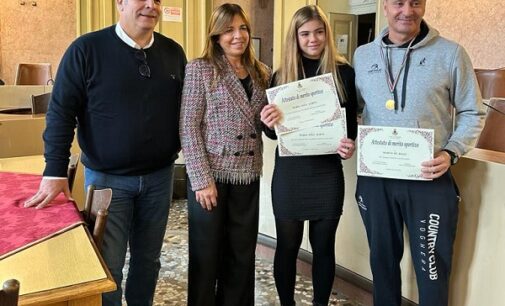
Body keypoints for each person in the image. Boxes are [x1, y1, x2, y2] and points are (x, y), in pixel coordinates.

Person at [24, 0, 187, 305]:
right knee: (108, 266)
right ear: (119, 3)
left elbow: (188, 112)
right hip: (108, 181)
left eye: (158, 0)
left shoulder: (174, 53)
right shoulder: (86, 50)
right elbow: (60, 113)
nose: (151, 5)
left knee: (148, 262)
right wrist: (55, 170)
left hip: (159, 179)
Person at [353, 1, 484, 305]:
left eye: (416, 2)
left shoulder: (451, 53)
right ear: (385, 5)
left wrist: (451, 151)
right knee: (382, 262)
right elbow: (356, 109)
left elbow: (473, 112)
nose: (407, 10)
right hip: (377, 179)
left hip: (429, 178)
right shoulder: (363, 55)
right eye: (399, 2)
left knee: (432, 267)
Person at [260, 5, 357, 306]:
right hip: (291, 174)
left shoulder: (343, 73)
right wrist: (268, 122)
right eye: (305, 34)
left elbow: (350, 128)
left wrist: (348, 145)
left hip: (326, 173)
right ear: (296, 37)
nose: (313, 39)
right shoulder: (282, 76)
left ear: (327, 34)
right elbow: (274, 135)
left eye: (318, 32)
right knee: (287, 246)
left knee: (324, 247)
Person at [179, 3, 270, 306]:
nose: (238, 35)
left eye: (243, 28)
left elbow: (265, 123)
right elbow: (189, 126)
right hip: (211, 178)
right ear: (216, 35)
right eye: (229, 29)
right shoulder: (200, 69)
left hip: (247, 173)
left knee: (241, 255)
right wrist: (201, 180)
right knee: (206, 255)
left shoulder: (262, 73)